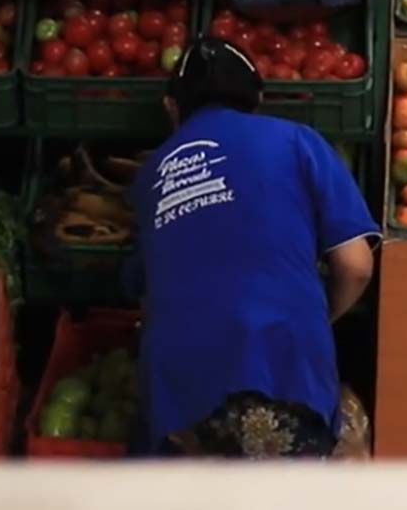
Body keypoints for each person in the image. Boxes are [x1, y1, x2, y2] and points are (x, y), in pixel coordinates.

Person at [130, 36, 378, 458]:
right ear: (258, 100)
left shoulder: (150, 176)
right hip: (280, 368)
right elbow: (355, 265)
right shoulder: (297, 141)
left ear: (172, 109)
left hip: (178, 393)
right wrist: (317, 320)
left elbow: (145, 292)